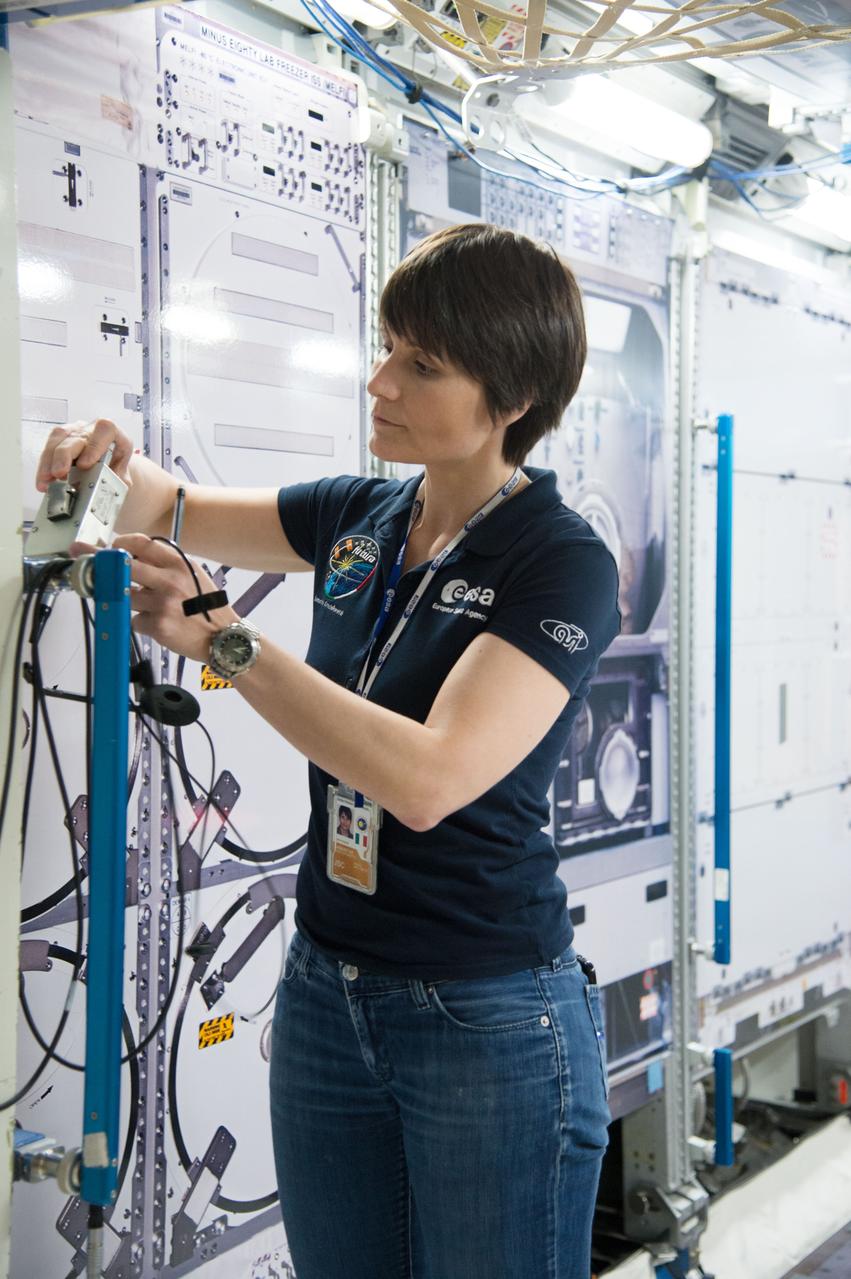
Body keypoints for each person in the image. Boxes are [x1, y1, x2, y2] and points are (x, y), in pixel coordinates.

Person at [36, 223, 620, 1279]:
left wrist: (223, 642)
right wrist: (101, 455)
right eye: (387, 344)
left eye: (420, 364)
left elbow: (426, 776)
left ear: (514, 398)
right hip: (325, 986)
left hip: (481, 1011)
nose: (378, 380)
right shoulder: (362, 519)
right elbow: (168, 505)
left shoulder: (561, 562)